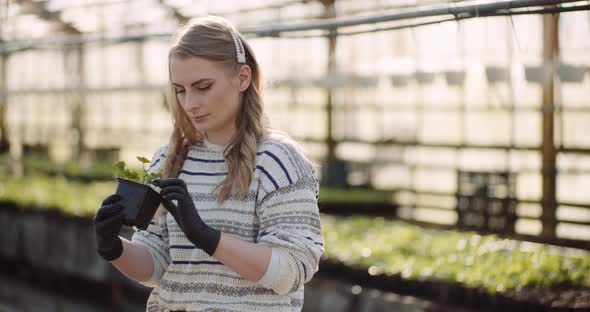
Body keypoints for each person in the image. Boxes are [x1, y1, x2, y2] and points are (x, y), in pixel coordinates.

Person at [92, 15, 324, 312]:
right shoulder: (169, 160)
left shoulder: (278, 161)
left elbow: (292, 270)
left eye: (203, 87)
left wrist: (208, 237)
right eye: (180, 89)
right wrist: (113, 247)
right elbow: (157, 265)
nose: (190, 103)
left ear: (243, 77)